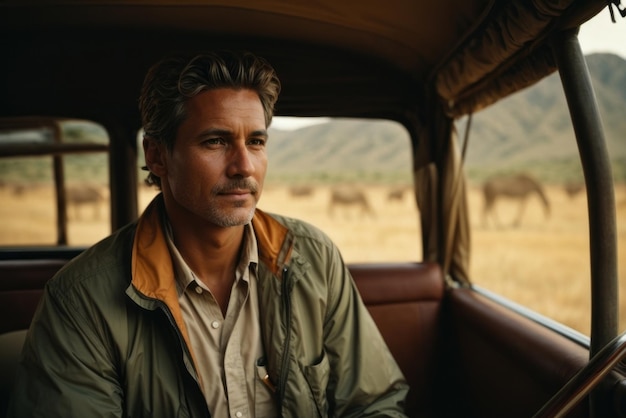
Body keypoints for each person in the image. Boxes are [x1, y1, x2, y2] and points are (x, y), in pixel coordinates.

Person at [7, 50, 408, 417]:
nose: (243, 166)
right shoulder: (81, 299)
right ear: (157, 156)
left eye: (256, 141)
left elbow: (374, 404)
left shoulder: (313, 259)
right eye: (215, 141)